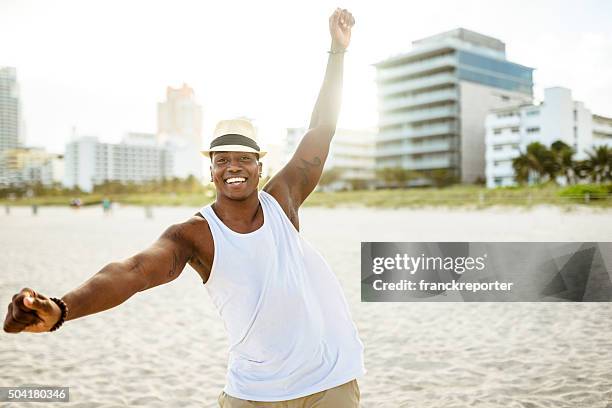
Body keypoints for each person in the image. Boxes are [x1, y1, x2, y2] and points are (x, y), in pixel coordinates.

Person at [3, 8, 363, 407]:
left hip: (329, 384)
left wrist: (337, 52)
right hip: (254, 393)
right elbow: (133, 271)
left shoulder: (282, 201)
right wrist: (62, 308)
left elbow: (321, 129)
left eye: (243, 158)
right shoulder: (195, 234)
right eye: (222, 159)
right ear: (210, 169)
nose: (233, 167)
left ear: (261, 166)